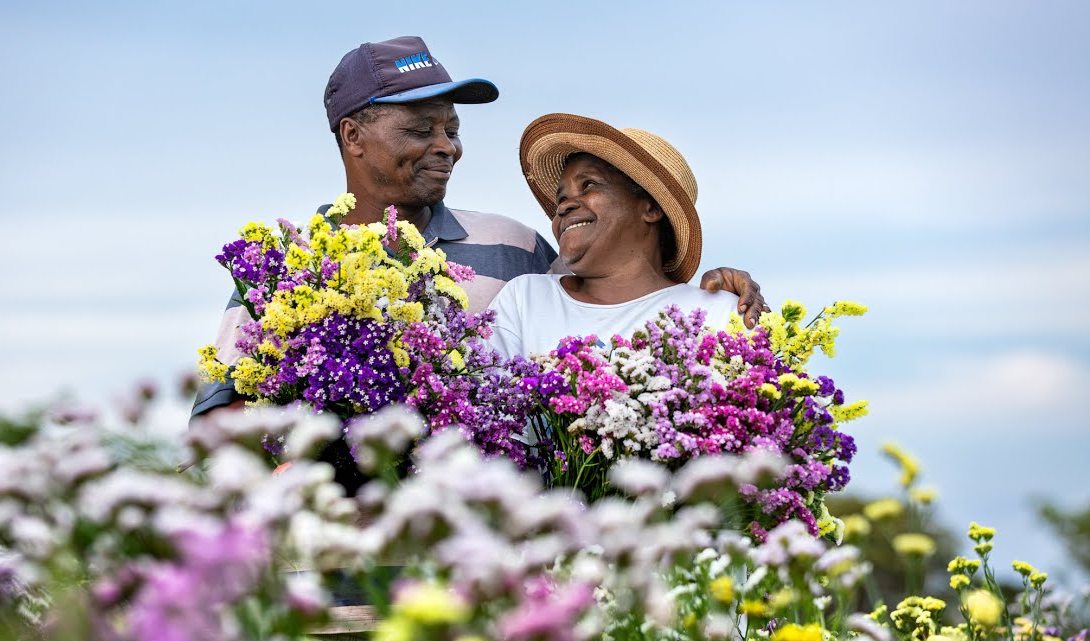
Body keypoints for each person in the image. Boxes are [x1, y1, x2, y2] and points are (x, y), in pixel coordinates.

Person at [192, 36, 766, 418]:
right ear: (353, 136)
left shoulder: (513, 249)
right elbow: (218, 421)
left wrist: (706, 286)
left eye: (452, 128)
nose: (448, 148)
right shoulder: (285, 264)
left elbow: (611, 290)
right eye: (421, 129)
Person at [488, 113, 738, 359]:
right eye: (561, 199)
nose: (563, 207)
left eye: (588, 185)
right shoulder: (526, 299)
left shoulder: (718, 313)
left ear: (651, 207)